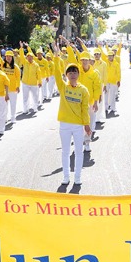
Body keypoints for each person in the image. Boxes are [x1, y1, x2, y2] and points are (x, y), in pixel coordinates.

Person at [51, 56, 91, 186]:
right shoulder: (63, 87)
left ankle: (77, 177)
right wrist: (56, 58)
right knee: (66, 151)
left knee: (79, 152)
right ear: (67, 75)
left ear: (78, 74)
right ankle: (66, 176)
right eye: (70, 72)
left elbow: (85, 109)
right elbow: (56, 73)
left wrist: (86, 124)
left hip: (78, 125)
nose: (73, 75)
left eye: (75, 72)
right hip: (65, 124)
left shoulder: (83, 90)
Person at [0, 43, 21, 125]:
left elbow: (18, 77)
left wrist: (18, 86)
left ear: (12, 57)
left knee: (13, 104)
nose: (8, 58)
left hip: (13, 88)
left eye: (10, 56)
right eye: (7, 56)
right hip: (4, 89)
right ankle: (5, 118)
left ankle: (13, 117)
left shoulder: (15, 67)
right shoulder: (2, 65)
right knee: (4, 104)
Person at [19, 44, 41, 116]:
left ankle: (35, 107)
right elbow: (21, 56)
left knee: (35, 96)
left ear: (33, 57)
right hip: (25, 83)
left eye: (31, 57)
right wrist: (21, 48)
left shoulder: (36, 65)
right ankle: (25, 109)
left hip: (33, 83)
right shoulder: (25, 63)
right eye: (28, 57)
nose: (29, 58)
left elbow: (39, 74)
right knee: (25, 97)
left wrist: (40, 82)